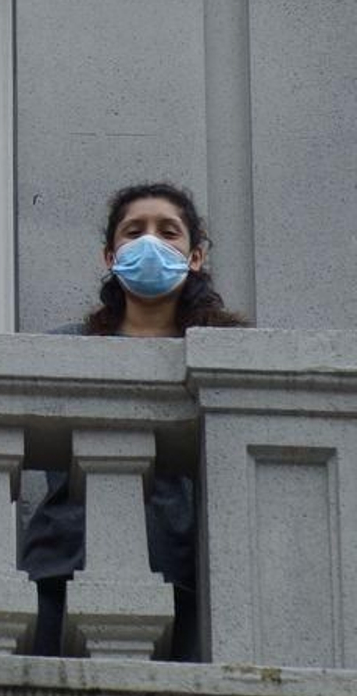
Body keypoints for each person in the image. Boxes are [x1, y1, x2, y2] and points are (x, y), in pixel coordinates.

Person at [23, 181, 248, 658]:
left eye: (169, 232)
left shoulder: (227, 356)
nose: (150, 243)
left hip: (181, 570)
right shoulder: (63, 350)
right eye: (134, 231)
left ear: (195, 257)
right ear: (110, 256)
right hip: (65, 563)